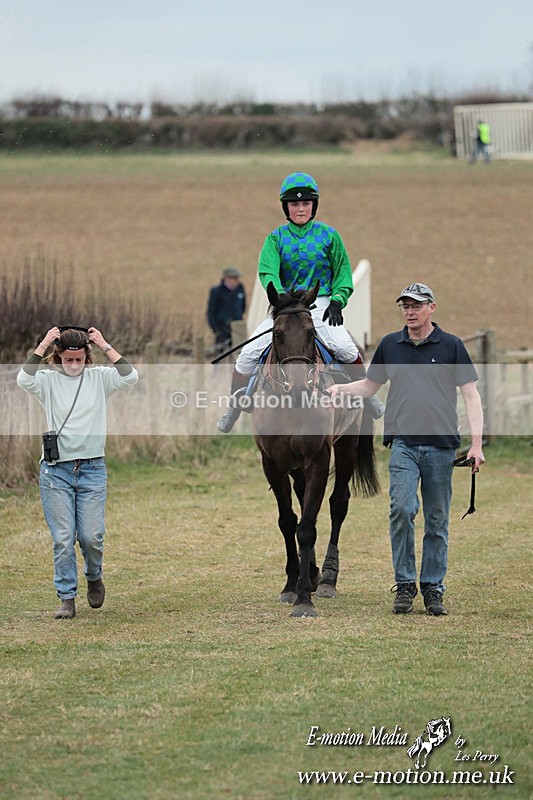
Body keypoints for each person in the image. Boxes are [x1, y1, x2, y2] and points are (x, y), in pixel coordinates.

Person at [327, 283, 485, 616]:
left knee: (437, 520)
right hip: (403, 445)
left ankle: (432, 588)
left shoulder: (452, 346)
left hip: (442, 447)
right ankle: (405, 584)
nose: (410, 311)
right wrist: (340, 389)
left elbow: (471, 396)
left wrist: (477, 444)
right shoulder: (390, 345)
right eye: (405, 306)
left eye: (416, 305)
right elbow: (370, 386)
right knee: (401, 508)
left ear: (432, 308)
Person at [216, 171, 384, 432]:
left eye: (306, 203)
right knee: (247, 354)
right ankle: (235, 406)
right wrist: (282, 298)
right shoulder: (275, 238)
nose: (301, 208)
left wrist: (339, 301)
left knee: (346, 347)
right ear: (287, 207)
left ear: (313, 206)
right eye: (295, 204)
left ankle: (368, 396)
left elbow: (342, 271)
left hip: (321, 305)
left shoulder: (330, 236)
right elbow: (268, 271)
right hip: (286, 307)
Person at [17, 326, 138, 619]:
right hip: (55, 472)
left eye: (79, 360)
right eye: (68, 360)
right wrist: (44, 342)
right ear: (58, 358)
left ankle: (94, 576)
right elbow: (23, 378)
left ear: (87, 357)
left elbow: (130, 376)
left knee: (91, 536)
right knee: (62, 537)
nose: (74, 365)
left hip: (92, 469)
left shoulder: (100, 379)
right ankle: (67, 598)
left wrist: (106, 344)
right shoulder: (46, 381)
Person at [207, 267, 246, 354]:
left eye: (237, 279)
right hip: (221, 328)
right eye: (234, 279)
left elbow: (243, 306)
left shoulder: (240, 289)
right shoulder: (216, 291)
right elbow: (211, 312)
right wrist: (216, 329)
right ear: (226, 279)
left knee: (239, 353)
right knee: (220, 355)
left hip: (237, 327)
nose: (236, 281)